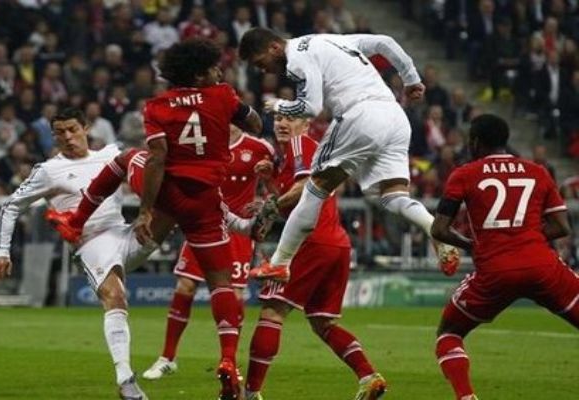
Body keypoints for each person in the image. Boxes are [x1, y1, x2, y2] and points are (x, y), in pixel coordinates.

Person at [48, 39, 262, 400]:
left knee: (124, 158)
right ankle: (228, 360)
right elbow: (254, 123)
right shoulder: (222, 94)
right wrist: (232, 106)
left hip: (168, 192)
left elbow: (158, 157)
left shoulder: (158, 106)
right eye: (212, 68)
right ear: (199, 72)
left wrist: (146, 208)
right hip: (205, 200)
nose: (218, 71)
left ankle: (76, 220)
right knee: (221, 283)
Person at [237, 27, 460, 281]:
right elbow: (384, 41)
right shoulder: (330, 40)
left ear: (274, 48)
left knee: (314, 188)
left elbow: (311, 107)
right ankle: (436, 229)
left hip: (359, 115)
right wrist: (410, 78)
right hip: (395, 115)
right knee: (391, 196)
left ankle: (280, 262)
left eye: (260, 62)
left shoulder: (298, 56)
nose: (263, 70)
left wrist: (280, 105)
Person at [0, 107, 153, 400]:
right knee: (116, 297)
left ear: (86, 128)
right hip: (92, 242)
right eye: (60, 133)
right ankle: (126, 379)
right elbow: (11, 206)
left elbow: (149, 168)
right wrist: (1, 251)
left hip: (127, 232)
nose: (67, 137)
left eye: (72, 130)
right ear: (53, 137)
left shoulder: (111, 154)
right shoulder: (48, 170)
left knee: (171, 214)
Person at [430, 114, 579, 400]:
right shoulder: (537, 171)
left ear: (475, 142)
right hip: (542, 265)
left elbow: (440, 229)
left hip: (495, 271)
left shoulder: (464, 173)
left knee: (449, 333)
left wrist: (475, 245)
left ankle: (466, 396)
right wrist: (527, 239)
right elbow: (562, 227)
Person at [243, 113, 386, 400]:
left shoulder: (302, 144)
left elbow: (301, 190)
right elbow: (294, 199)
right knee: (323, 323)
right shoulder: (287, 161)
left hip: (312, 241)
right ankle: (369, 377)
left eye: (291, 117)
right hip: (336, 244)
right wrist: (270, 181)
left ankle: (250, 393)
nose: (282, 123)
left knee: (273, 310)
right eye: (278, 117)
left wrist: (268, 205)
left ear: (306, 124)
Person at [142, 125, 273, 380]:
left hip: (238, 233)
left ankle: (229, 362)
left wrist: (265, 202)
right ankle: (167, 358)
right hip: (203, 223)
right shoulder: (202, 144)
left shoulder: (259, 148)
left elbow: (278, 181)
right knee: (185, 285)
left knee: (234, 294)